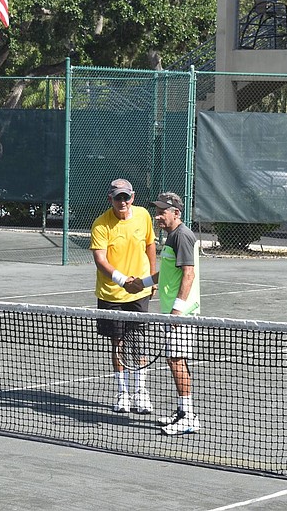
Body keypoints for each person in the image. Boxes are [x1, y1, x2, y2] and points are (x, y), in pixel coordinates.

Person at [126, 192, 201, 435]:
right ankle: (183, 412)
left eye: (162, 212)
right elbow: (168, 273)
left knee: (176, 360)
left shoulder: (182, 236)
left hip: (180, 313)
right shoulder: (172, 237)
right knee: (174, 360)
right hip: (171, 312)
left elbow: (188, 274)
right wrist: (143, 282)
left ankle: (188, 417)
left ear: (176, 213)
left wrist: (177, 310)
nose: (157, 216)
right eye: (156, 212)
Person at [90, 178, 157, 414]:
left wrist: (151, 278)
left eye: (126, 197)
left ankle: (140, 392)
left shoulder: (144, 216)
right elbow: (100, 260)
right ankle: (123, 393)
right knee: (117, 343)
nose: (122, 202)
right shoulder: (101, 224)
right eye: (118, 197)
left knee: (138, 343)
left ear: (132, 197)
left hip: (140, 293)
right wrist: (123, 281)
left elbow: (150, 246)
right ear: (110, 198)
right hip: (112, 294)